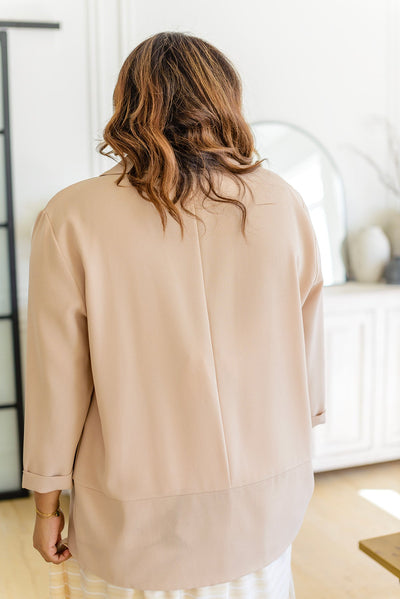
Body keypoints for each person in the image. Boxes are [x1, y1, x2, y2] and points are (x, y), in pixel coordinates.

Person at [22, 30, 326, 599]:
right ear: (224, 97)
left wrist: (45, 507)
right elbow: (303, 354)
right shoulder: (282, 201)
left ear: (128, 103)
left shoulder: (71, 217)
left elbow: (56, 382)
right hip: (265, 504)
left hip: (136, 519)